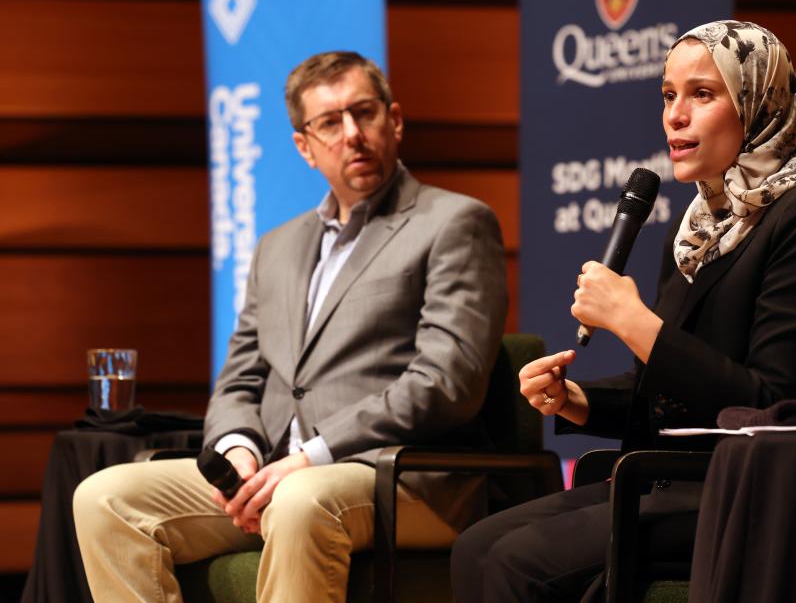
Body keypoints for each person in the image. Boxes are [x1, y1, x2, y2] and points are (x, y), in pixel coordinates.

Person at [451, 20, 796, 601]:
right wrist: (578, 402)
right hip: (672, 479)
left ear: (759, 102)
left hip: (757, 493)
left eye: (702, 94)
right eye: (669, 95)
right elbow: (675, 387)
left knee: (516, 562)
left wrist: (634, 322)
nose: (675, 116)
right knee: (474, 546)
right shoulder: (699, 229)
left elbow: (773, 403)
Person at [72, 51, 508, 602]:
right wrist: (238, 450)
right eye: (330, 123)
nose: (352, 134)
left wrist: (312, 456)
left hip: (404, 476)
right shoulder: (276, 247)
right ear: (305, 146)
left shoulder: (453, 222)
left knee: (300, 500)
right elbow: (239, 379)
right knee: (104, 499)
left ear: (393, 120)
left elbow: (447, 383)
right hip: (277, 472)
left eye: (364, 113)